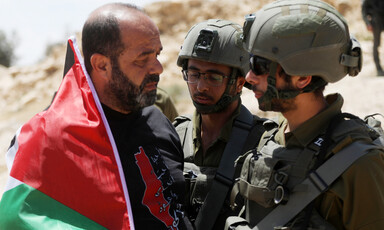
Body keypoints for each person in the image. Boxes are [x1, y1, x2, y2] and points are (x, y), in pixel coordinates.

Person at [0, 3, 192, 230]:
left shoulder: (157, 121)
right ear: (101, 65)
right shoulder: (54, 138)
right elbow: (21, 217)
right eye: (143, 59)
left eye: (157, 55)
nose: (158, 68)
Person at [226, 0, 384, 229]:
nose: (249, 77)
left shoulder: (360, 164)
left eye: (259, 66)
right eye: (249, 62)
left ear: (302, 77)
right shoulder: (269, 139)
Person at [173, 19, 266, 230]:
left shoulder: (262, 143)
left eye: (214, 77)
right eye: (194, 74)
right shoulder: (176, 135)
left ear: (239, 83)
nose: (201, 86)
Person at [361, 0, 384, 76]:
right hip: (375, 21)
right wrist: (368, 24)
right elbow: (364, 11)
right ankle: (378, 69)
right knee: (376, 44)